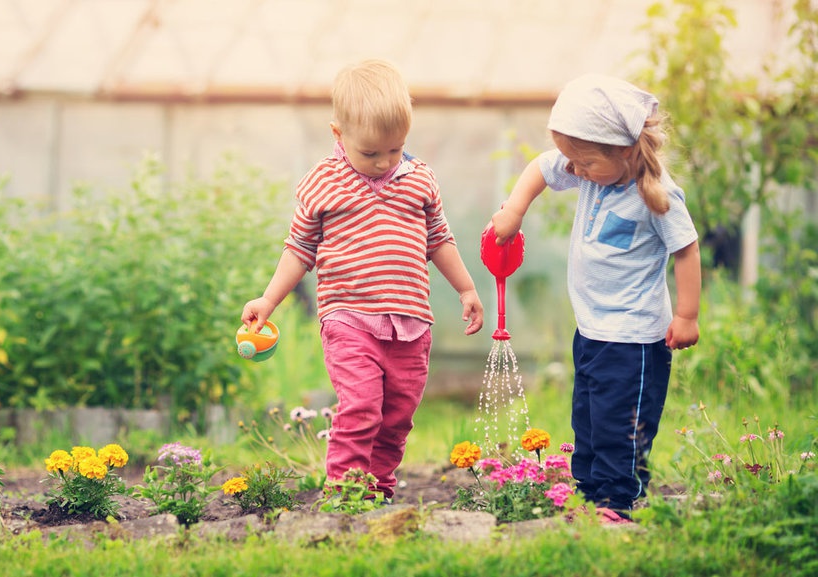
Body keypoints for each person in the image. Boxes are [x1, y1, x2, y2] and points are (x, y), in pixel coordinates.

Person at [241, 59, 484, 501]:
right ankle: (345, 491)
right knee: (362, 405)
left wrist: (466, 288)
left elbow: (440, 239)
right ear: (338, 134)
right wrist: (269, 299)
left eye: (394, 150)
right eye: (370, 153)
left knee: (397, 415)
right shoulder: (323, 182)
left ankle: (379, 488)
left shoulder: (420, 180)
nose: (383, 162)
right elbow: (299, 249)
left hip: (411, 321)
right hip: (348, 317)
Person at [491, 74, 701, 524]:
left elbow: (686, 249)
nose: (574, 170)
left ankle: (619, 502)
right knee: (588, 417)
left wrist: (686, 314)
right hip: (592, 329)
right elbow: (539, 169)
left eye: (584, 162)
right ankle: (589, 494)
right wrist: (513, 210)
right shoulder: (588, 170)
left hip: (635, 337)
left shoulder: (658, 195)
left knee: (620, 424)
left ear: (623, 150)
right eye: (572, 160)